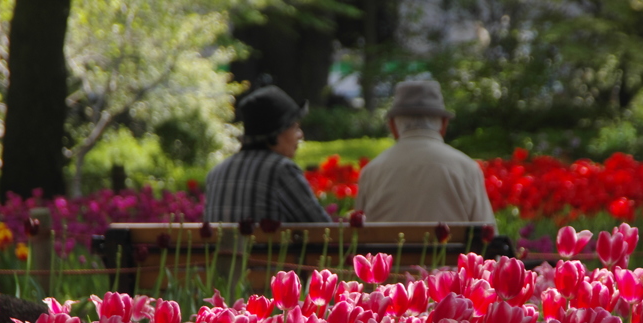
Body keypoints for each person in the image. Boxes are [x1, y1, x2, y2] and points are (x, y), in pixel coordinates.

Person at [355, 80, 496, 224]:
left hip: (384, 247)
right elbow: (487, 233)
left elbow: (359, 235)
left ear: (392, 125)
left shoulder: (371, 172)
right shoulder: (467, 169)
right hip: (450, 247)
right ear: (444, 124)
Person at [204, 86, 330, 223]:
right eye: (295, 127)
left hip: (223, 245)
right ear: (276, 134)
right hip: (266, 245)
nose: (300, 135)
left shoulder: (217, 172)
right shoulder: (281, 170)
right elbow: (322, 227)